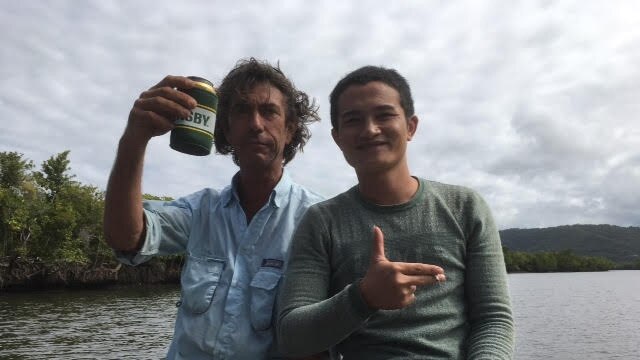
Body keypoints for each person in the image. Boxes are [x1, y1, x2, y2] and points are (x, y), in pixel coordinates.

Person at [277, 66, 515, 359]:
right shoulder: (321, 222)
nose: (370, 129)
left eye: (384, 115)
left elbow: (494, 320)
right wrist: (364, 297)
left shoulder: (466, 207)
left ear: (411, 126)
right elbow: (291, 335)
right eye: (353, 120)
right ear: (337, 137)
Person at [103, 58, 324, 359]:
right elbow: (127, 237)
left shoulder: (317, 220)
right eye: (242, 111)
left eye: (269, 111)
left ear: (290, 129)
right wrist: (135, 137)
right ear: (227, 131)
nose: (256, 123)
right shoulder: (200, 210)